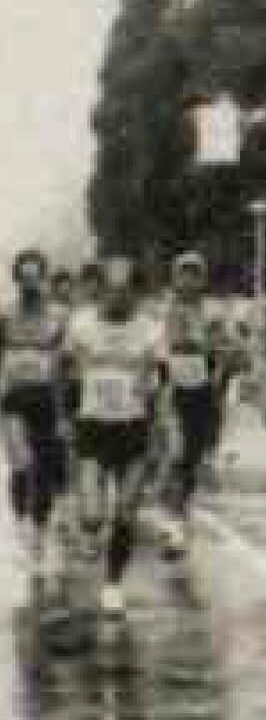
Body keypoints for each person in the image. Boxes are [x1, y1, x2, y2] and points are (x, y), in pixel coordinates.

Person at [60, 256, 168, 619]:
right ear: (99, 289)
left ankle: (112, 584)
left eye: (125, 289)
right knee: (92, 516)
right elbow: (63, 374)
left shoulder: (151, 330)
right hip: (92, 427)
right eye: (110, 288)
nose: (117, 296)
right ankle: (86, 528)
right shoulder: (81, 326)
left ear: (136, 293)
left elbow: (161, 384)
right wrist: (64, 417)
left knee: (125, 513)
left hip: (132, 429)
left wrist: (161, 431)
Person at [0, 249, 70, 582]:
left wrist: (63, 411)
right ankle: (20, 519)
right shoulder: (5, 314)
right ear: (17, 279)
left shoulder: (57, 317)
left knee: (42, 472)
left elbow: (62, 366)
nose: (30, 283)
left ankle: (39, 535)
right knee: (21, 464)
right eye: (24, 276)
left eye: (35, 276)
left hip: (44, 399)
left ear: (43, 278)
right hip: (14, 398)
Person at [156, 251, 231, 558]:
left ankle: (176, 517)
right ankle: (171, 520)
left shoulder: (212, 313)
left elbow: (223, 351)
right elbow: (154, 350)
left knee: (188, 463)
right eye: (183, 272)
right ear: (174, 276)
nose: (189, 279)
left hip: (200, 393)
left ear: (203, 279)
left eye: (195, 273)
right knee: (175, 453)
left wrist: (219, 375)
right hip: (168, 390)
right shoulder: (161, 309)